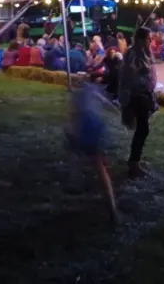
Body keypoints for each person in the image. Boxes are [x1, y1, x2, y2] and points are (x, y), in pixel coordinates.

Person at [65, 83, 119, 223]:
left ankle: (75, 181)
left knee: (77, 153)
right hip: (97, 126)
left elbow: (74, 114)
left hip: (87, 126)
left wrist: (71, 129)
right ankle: (111, 206)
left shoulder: (78, 94)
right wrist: (117, 112)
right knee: (99, 164)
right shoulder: (94, 90)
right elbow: (107, 103)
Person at [119, 27, 157, 178]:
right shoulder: (132, 54)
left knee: (143, 129)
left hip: (145, 94)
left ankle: (135, 160)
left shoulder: (146, 53)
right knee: (143, 129)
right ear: (141, 39)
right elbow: (129, 76)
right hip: (137, 96)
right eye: (149, 38)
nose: (151, 41)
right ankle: (133, 163)